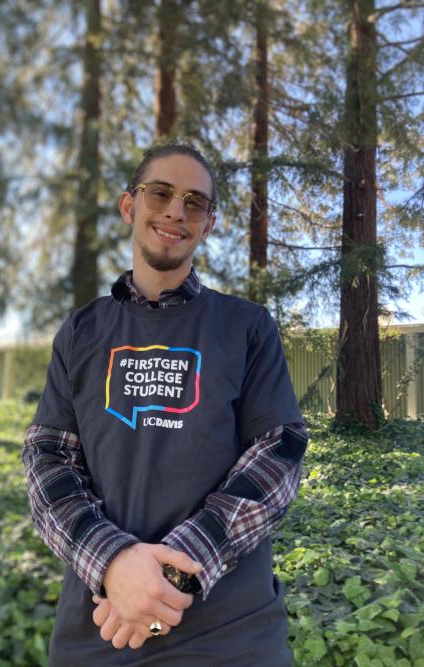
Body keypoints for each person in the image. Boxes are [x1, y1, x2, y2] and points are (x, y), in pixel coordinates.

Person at [21, 143, 308, 667]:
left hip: (231, 637)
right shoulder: (82, 331)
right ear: (130, 207)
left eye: (194, 202)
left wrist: (172, 576)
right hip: (100, 632)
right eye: (161, 193)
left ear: (209, 225)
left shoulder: (246, 327)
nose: (177, 210)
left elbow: (279, 454)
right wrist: (111, 561)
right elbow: (47, 460)